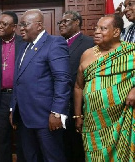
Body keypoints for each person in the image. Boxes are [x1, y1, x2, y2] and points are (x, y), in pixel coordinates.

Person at [10, 9, 71, 162]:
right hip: (24, 117)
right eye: (20, 25)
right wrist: (13, 108)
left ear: (39, 26)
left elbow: (62, 79)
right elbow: (18, 80)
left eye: (25, 24)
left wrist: (57, 113)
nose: (21, 28)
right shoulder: (24, 46)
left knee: (52, 157)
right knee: (30, 157)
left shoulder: (54, 43)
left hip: (46, 118)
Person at [74, 14, 135, 161]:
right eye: (96, 28)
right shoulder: (87, 54)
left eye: (103, 28)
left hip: (121, 120)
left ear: (116, 32)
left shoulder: (131, 52)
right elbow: (78, 86)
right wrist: (77, 116)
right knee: (94, 155)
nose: (96, 32)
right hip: (93, 123)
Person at [0, 11, 26, 162]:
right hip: (0, 99)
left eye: (4, 24)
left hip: (20, 98)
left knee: (23, 139)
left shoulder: (24, 43)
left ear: (14, 27)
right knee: (1, 140)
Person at [58, 10, 94, 162]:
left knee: (78, 146)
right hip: (60, 103)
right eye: (60, 22)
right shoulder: (57, 43)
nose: (62, 24)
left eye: (65, 21)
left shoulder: (89, 43)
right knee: (62, 145)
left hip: (79, 103)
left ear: (77, 22)